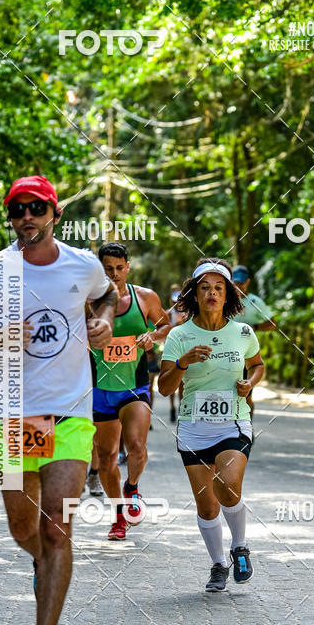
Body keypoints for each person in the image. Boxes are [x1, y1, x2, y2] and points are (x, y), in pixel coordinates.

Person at [0, 175, 116, 625]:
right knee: (25, 530)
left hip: (69, 413)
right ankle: (42, 567)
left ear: (54, 213)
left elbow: (112, 295)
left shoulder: (83, 265)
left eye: (36, 207)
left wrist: (104, 318)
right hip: (12, 417)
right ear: (11, 218)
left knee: (55, 527)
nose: (27, 217)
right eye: (17, 209)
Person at [158, 258, 265, 592]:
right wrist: (182, 363)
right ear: (195, 293)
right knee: (206, 505)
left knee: (228, 484)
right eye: (205, 287)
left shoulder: (243, 332)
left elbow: (258, 365)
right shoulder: (179, 335)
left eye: (219, 287)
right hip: (193, 427)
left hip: (233, 423)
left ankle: (240, 546)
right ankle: (219, 564)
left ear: (228, 294)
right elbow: (164, 387)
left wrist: (250, 384)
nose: (212, 293)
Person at [89, 243, 171, 541]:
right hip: (100, 390)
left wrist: (153, 336)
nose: (114, 274)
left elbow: (167, 325)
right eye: (108, 269)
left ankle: (132, 485)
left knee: (135, 445)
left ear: (128, 267)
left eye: (119, 268)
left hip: (134, 386)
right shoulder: (88, 300)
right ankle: (118, 515)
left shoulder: (145, 297)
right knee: (107, 457)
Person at [232, 265, 275, 418]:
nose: (238, 286)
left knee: (246, 395)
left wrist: (255, 326)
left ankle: (247, 429)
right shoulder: (223, 300)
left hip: (247, 356)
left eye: (241, 283)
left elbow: (272, 323)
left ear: (248, 282)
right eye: (235, 282)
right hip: (225, 354)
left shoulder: (255, 301)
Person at [167, 283, 186, 422]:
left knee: (182, 382)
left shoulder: (188, 314)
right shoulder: (168, 313)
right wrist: (175, 326)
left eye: (179, 301)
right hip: (172, 350)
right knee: (171, 380)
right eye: (175, 302)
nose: (177, 304)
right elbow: (163, 331)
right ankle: (172, 406)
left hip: (184, 350)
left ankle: (181, 407)